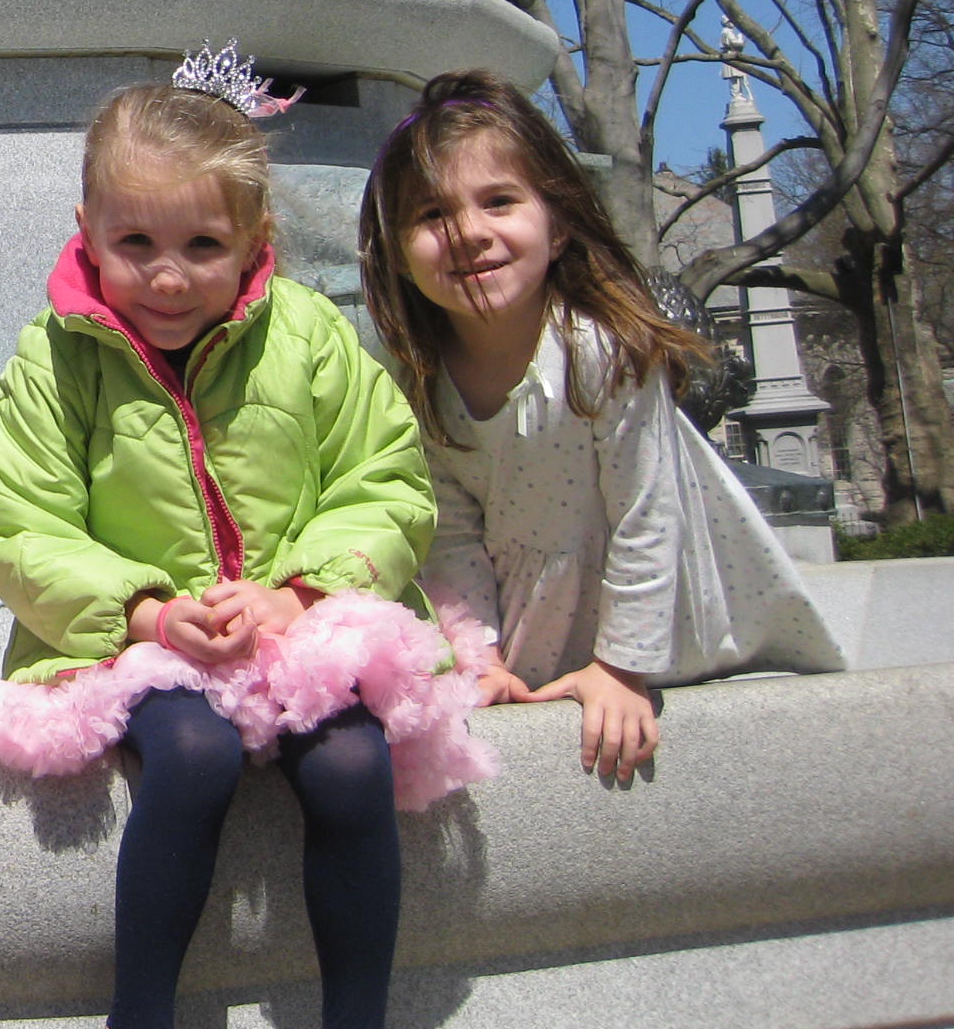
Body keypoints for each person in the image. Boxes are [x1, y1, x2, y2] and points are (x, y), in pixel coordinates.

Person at [0, 47, 492, 1029]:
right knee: (191, 755)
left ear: (254, 237)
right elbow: (15, 523)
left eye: (201, 247)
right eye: (135, 244)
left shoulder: (310, 336)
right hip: (134, 641)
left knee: (353, 763)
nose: (167, 278)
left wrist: (299, 593)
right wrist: (143, 610)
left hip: (296, 629)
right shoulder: (54, 358)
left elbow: (384, 480)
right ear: (87, 229)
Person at [357, 71, 843, 787]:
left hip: (648, 610)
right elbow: (453, 533)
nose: (468, 233)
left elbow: (649, 515)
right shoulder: (420, 381)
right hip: (536, 606)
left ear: (557, 224)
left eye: (499, 201)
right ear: (396, 252)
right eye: (432, 213)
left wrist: (621, 667)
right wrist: (480, 658)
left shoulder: (600, 351)